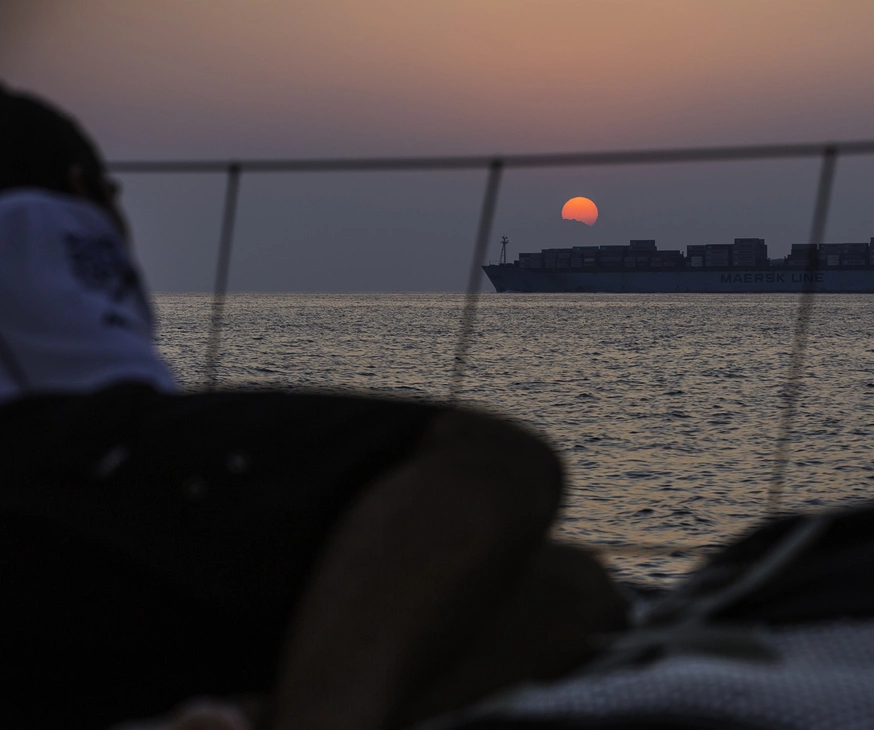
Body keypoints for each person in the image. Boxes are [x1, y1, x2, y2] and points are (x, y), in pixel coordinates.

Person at [0, 85, 628, 730]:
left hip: (90, 593)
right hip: (45, 473)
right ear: (81, 191)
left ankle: (246, 715)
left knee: (566, 589)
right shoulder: (44, 231)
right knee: (495, 461)